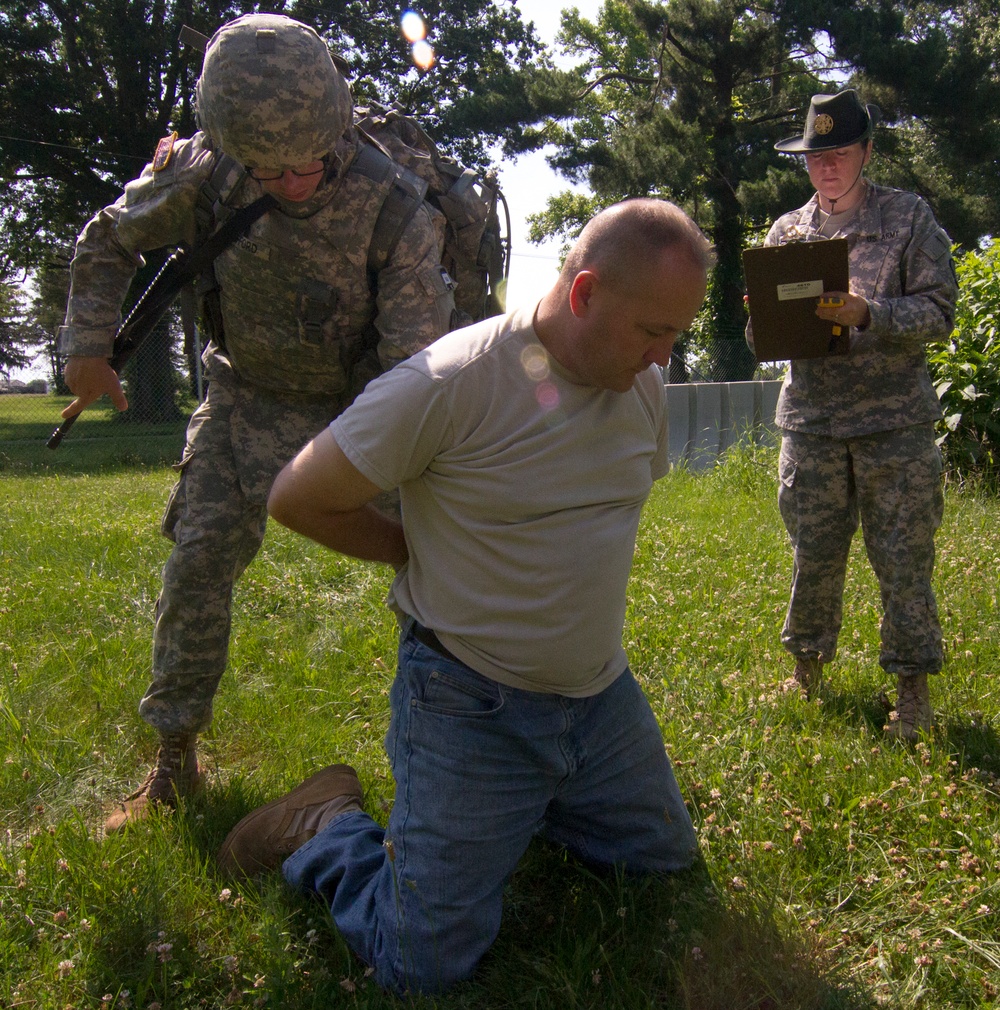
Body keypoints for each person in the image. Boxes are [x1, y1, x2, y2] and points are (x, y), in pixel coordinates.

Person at [216, 198, 711, 993]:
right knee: (421, 967)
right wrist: (414, 548)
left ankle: (530, 807)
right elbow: (297, 496)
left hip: (599, 701)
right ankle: (326, 826)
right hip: (470, 704)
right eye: (652, 332)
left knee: (662, 865)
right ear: (583, 294)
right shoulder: (450, 383)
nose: (662, 359)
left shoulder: (639, 387)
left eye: (675, 335)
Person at [57, 13, 455, 832]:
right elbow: (107, 240)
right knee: (198, 562)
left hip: (360, 413)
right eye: (270, 169)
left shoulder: (398, 210)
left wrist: (370, 482)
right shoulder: (208, 174)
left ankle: (464, 751)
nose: (295, 180)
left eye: (310, 162)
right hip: (241, 398)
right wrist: (87, 349)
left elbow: (412, 379)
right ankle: (174, 758)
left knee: (444, 569)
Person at [748, 89, 958, 740]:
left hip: (891, 424)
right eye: (816, 156)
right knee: (813, 554)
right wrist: (762, 321)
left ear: (867, 151)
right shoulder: (788, 233)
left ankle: (913, 692)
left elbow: (941, 313)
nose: (828, 166)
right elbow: (765, 341)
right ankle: (804, 672)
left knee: (902, 558)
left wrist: (872, 313)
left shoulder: (908, 219)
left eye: (840, 151)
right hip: (811, 423)